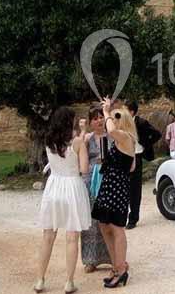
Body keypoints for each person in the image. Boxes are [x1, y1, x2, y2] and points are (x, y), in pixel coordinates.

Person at [34, 107, 91, 294]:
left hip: (54, 186)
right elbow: (84, 170)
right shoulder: (77, 143)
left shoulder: (48, 141)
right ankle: (68, 282)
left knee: (48, 236)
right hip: (72, 187)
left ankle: (40, 279)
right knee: (72, 237)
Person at [92, 97, 135, 288]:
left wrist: (107, 111)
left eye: (116, 119)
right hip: (109, 186)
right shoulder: (121, 141)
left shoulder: (126, 138)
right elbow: (132, 167)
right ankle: (117, 264)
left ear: (123, 121)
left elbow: (110, 130)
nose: (112, 122)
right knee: (104, 225)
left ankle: (121, 269)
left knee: (117, 228)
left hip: (116, 189)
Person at [81, 105, 112, 273]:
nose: (99, 120)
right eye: (95, 118)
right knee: (91, 222)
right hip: (91, 182)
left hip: (108, 181)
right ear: (91, 122)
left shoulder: (112, 137)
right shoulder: (87, 138)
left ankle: (112, 257)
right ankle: (90, 259)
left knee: (108, 221)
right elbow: (80, 158)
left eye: (101, 117)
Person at [125, 100, 159, 230]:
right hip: (125, 156)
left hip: (137, 156)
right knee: (124, 187)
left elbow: (157, 134)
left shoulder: (141, 123)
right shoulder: (123, 123)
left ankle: (133, 218)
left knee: (134, 189)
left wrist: (144, 144)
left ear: (132, 112)